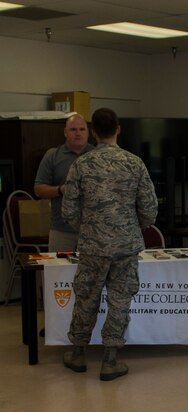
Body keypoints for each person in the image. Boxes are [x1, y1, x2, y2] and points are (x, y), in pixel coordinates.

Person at [61, 108, 158, 381]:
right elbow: (149, 209)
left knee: (86, 298)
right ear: (118, 129)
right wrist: (130, 228)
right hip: (126, 247)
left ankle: (78, 354)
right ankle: (110, 360)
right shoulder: (134, 163)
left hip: (92, 246)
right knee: (119, 300)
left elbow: (68, 210)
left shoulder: (80, 164)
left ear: (93, 132)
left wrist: (90, 230)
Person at [34, 113, 94, 251]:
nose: (78, 133)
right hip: (61, 230)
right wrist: (61, 190)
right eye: (73, 129)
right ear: (65, 132)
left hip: (92, 230)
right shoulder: (53, 155)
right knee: (58, 271)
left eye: (82, 129)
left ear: (88, 132)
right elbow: (38, 189)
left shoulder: (97, 155)